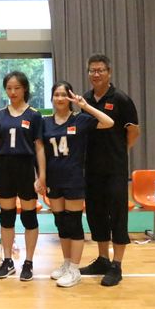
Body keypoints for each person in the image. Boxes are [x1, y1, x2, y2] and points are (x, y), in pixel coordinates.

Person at [44, 81, 114, 288]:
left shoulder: (80, 119)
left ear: (70, 97)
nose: (60, 98)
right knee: (61, 223)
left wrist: (85, 106)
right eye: (56, 94)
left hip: (73, 179)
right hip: (53, 179)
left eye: (63, 94)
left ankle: (75, 269)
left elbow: (109, 122)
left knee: (73, 223)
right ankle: (67, 263)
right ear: (52, 98)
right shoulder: (45, 122)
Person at [80, 54, 140, 286]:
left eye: (100, 70)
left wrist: (119, 152)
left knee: (117, 215)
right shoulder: (85, 100)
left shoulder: (121, 99)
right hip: (91, 168)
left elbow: (133, 131)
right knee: (96, 214)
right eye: (92, 70)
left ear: (109, 73)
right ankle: (103, 259)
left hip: (115, 168)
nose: (96, 74)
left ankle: (117, 265)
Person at [0, 71, 46, 281]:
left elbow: (39, 147)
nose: (13, 92)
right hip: (5, 167)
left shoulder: (34, 115)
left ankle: (29, 262)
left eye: (17, 88)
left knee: (29, 216)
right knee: (6, 216)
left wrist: (41, 175)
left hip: (25, 167)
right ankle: (7, 260)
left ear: (24, 89)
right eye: (9, 88)